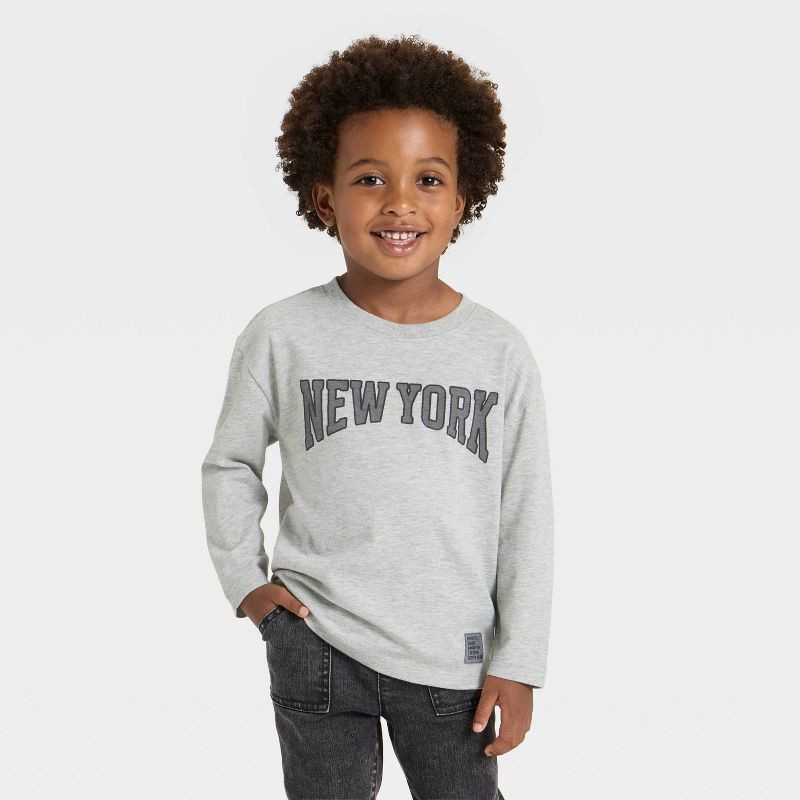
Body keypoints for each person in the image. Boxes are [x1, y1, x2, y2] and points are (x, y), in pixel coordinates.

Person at [201, 33, 554, 800]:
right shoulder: (282, 334)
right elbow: (230, 464)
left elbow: (525, 512)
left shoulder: (498, 351)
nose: (399, 203)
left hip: (452, 658)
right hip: (316, 639)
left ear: (461, 199)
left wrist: (520, 659)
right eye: (369, 178)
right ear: (325, 197)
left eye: (428, 179)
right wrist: (247, 585)